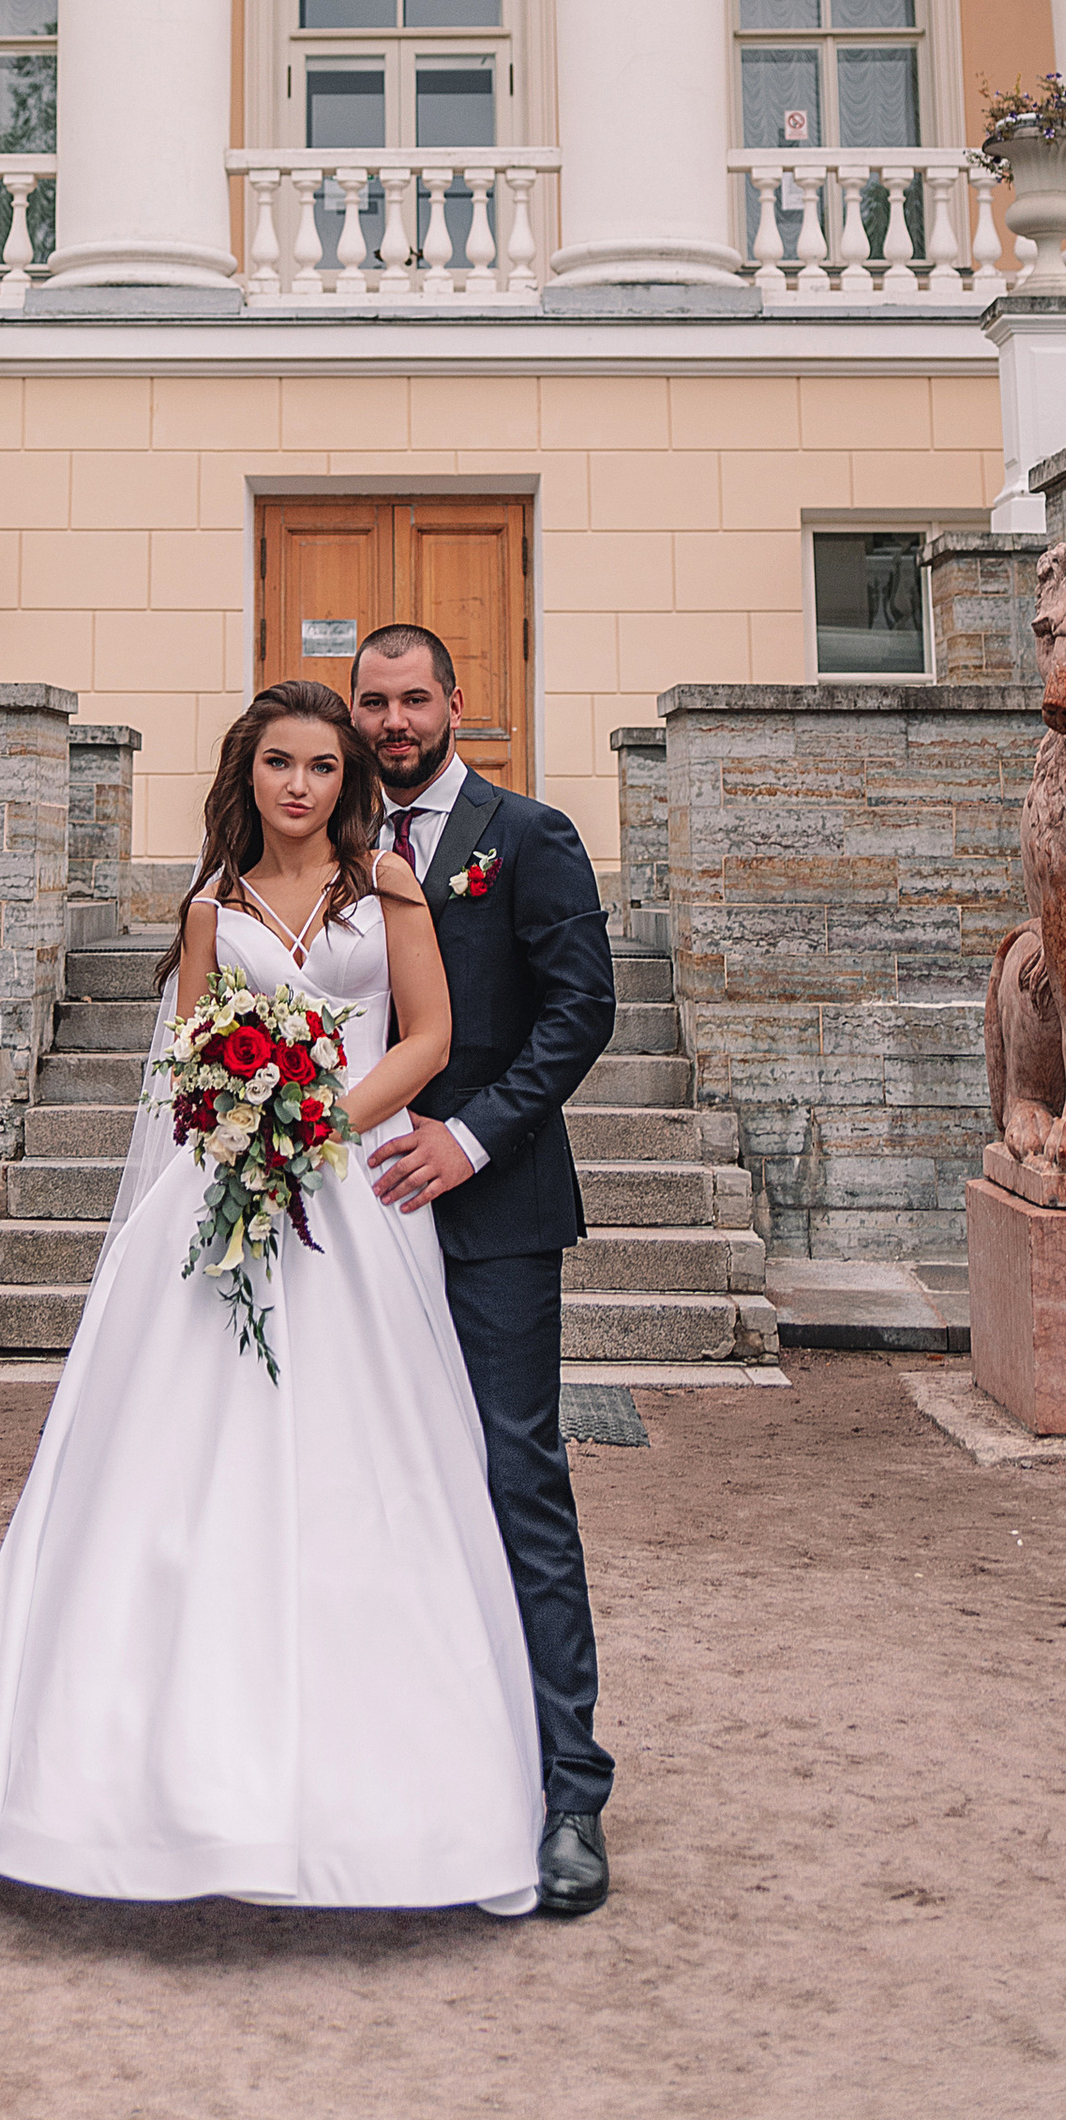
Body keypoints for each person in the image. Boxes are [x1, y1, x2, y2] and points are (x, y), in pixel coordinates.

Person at [0, 677, 546, 1914]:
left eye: (322, 766)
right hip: (229, 1190)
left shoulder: (386, 885)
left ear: (346, 782)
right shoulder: (210, 903)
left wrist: (319, 1118)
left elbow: (425, 1039)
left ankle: (399, 1792)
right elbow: (187, 1059)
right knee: (183, 1460)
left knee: (367, 1460)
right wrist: (245, 1123)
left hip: (354, 1193)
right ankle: (153, 1763)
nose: (300, 785)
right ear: (246, 774)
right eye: (279, 763)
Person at [350, 623, 621, 1919]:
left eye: (414, 699)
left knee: (520, 1481)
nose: (393, 722)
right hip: (350, 1220)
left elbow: (581, 1011)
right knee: (369, 1484)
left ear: (457, 702)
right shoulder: (333, 838)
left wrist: (470, 1135)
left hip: (492, 1212)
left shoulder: (528, 836)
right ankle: (406, 1761)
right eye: (374, 702)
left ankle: (570, 1790)